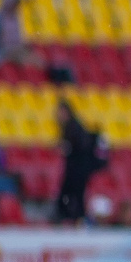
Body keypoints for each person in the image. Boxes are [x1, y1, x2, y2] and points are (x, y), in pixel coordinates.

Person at [53, 95, 104, 224]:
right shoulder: (72, 126)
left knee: (73, 193)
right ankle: (74, 217)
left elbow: (77, 147)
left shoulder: (72, 127)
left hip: (78, 168)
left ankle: (74, 218)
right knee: (72, 193)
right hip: (77, 168)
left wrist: (67, 147)